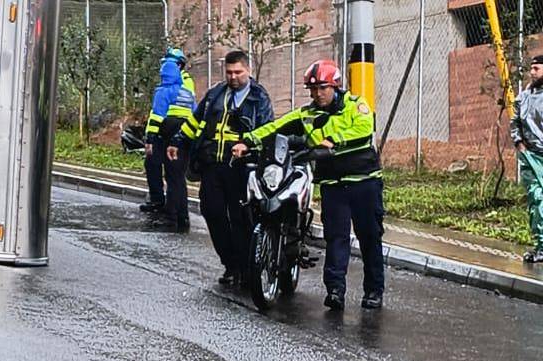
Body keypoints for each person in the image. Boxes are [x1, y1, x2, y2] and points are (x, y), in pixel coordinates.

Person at [233, 59, 383, 310]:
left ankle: (374, 291)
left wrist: (332, 140)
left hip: (363, 182)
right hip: (333, 185)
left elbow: (364, 129)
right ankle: (335, 290)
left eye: (323, 88)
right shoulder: (306, 114)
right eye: (313, 89)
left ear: (335, 86)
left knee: (369, 236)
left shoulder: (356, 106)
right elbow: (275, 127)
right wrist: (247, 141)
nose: (317, 94)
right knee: (336, 238)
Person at [169, 50, 273, 286]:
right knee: (212, 212)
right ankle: (230, 264)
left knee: (241, 218)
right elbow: (195, 121)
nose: (233, 77)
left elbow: (266, 129)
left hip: (241, 168)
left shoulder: (259, 98)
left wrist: (247, 145)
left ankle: (246, 270)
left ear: (248, 70)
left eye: (238, 72)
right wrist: (178, 141)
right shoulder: (216, 94)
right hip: (212, 165)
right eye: (229, 72)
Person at [140, 48, 196, 231]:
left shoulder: (171, 88)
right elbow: (195, 113)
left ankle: (171, 216)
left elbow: (157, 116)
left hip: (169, 134)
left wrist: (150, 138)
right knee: (176, 177)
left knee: (173, 177)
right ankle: (181, 216)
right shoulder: (185, 91)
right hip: (184, 134)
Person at [511, 55, 543, 263]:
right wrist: (520, 144)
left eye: (537, 69)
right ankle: (541, 245)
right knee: (537, 199)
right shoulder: (523, 97)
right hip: (531, 156)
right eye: (531, 69)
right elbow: (515, 123)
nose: (532, 73)